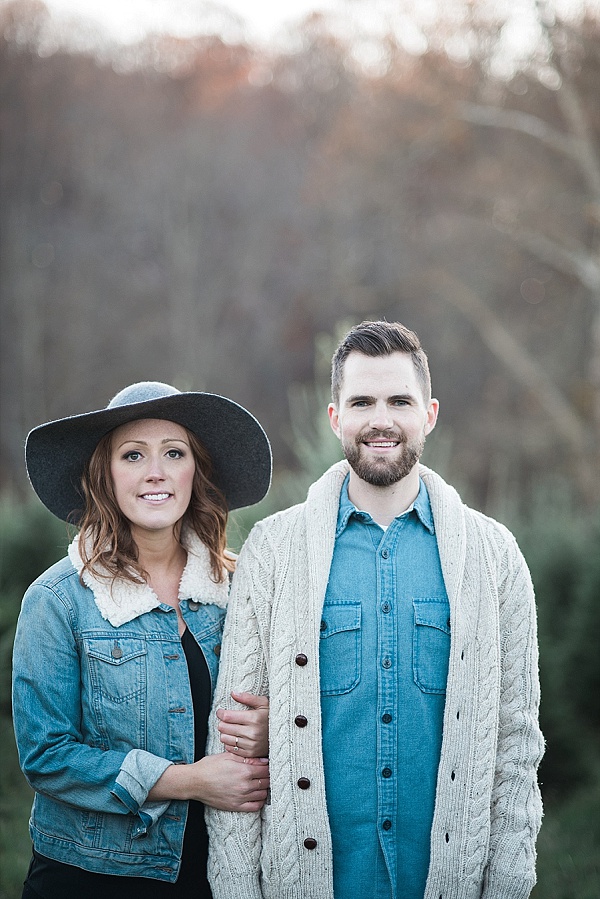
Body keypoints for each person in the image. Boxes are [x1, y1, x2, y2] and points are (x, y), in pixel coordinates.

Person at [205, 320, 545, 899]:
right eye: (362, 401)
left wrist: (510, 884)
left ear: (429, 414)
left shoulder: (495, 557)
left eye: (399, 401)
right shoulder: (272, 552)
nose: (381, 419)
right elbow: (234, 748)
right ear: (335, 416)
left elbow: (516, 745)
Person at [12, 380, 273, 899]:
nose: (155, 472)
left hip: (216, 872)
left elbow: (304, 706)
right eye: (133, 455)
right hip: (90, 875)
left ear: (194, 473)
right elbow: (46, 755)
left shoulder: (244, 590)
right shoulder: (59, 599)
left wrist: (275, 728)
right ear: (104, 477)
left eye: (173, 453)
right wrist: (190, 780)